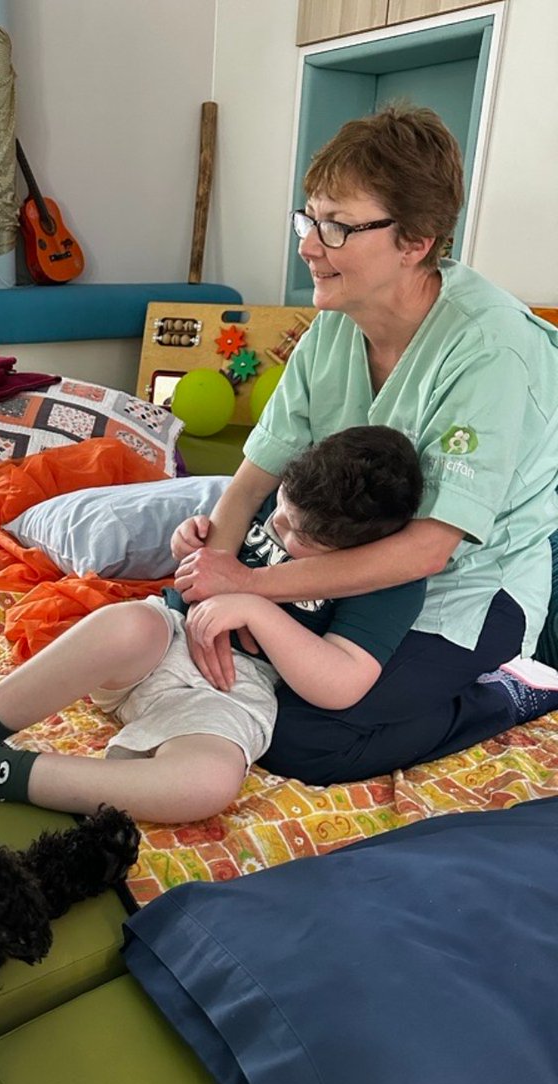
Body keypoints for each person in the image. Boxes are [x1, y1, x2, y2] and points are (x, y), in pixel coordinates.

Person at [172, 103, 558, 787]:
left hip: (470, 584)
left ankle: (507, 692)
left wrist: (253, 588)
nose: (308, 245)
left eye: (337, 227)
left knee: (297, 736)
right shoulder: (335, 322)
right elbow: (257, 473)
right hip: (344, 552)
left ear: (415, 241)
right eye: (309, 217)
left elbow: (431, 549)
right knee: (199, 653)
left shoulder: (490, 349)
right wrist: (211, 573)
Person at [0, 426, 425, 823]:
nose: (278, 529)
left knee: (207, 785)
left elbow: (342, 683)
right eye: (279, 512)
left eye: (298, 535)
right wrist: (188, 544)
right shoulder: (280, 499)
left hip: (233, 694)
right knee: (125, 624)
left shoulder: (386, 579)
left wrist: (255, 607)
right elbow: (200, 564)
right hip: (163, 640)